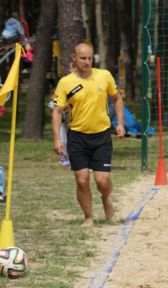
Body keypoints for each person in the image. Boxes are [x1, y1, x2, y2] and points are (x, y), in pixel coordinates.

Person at [51, 42, 125, 227]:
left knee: (102, 180)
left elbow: (117, 98)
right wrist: (57, 139)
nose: (87, 62)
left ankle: (106, 199)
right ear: (73, 58)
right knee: (82, 180)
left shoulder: (104, 76)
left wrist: (120, 124)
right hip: (77, 137)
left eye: (90, 58)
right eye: (83, 58)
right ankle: (89, 217)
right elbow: (57, 111)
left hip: (101, 136)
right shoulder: (66, 83)